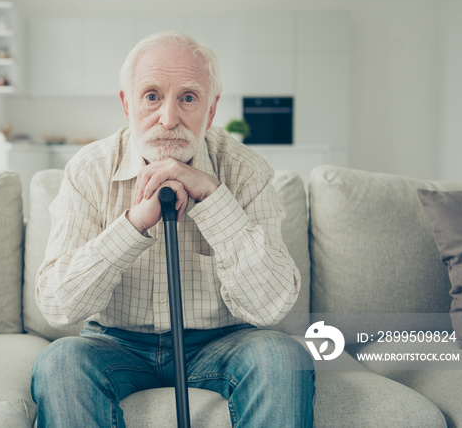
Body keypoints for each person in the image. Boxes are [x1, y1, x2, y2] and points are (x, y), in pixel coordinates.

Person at [31, 31, 315, 427]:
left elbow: (272, 306)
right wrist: (134, 224)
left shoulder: (245, 170)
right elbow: (58, 306)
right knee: (59, 362)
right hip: (116, 342)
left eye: (188, 98)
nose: (168, 119)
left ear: (211, 111)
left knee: (283, 357)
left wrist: (213, 198)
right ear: (126, 103)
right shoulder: (88, 169)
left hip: (223, 342)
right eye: (151, 96)